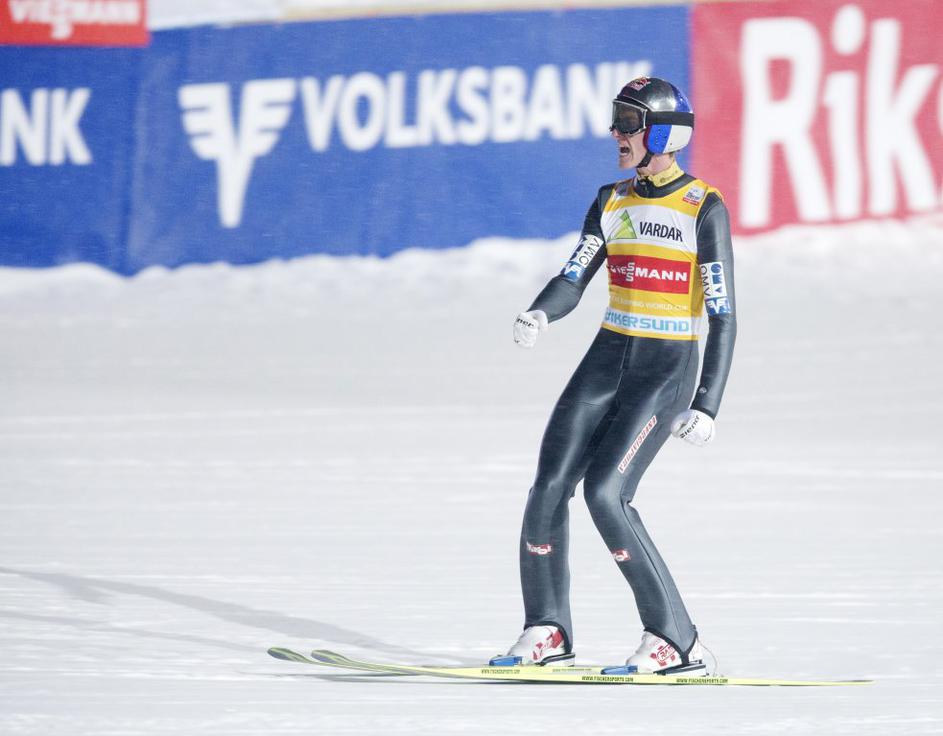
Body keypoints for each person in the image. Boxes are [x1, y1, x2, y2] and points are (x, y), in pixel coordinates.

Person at [492, 77, 736, 674]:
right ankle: (546, 627)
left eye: (627, 122)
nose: (616, 134)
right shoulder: (611, 200)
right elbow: (575, 274)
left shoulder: (702, 207)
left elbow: (723, 312)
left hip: (666, 368)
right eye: (616, 121)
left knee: (607, 493)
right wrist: (540, 311)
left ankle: (676, 640)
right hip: (608, 357)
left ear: (661, 132)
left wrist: (706, 403)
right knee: (548, 485)